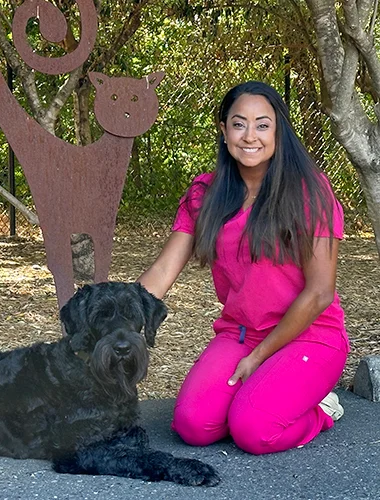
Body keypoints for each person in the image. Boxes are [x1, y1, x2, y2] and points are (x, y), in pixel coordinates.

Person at [137, 81, 349, 455]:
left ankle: (319, 409)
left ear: (279, 131)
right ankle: (263, 397)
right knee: (193, 426)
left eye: (263, 125)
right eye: (239, 124)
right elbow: (162, 271)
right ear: (223, 131)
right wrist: (113, 317)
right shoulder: (206, 194)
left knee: (253, 431)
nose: (250, 136)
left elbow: (320, 293)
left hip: (309, 336)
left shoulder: (310, 191)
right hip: (240, 334)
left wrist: (260, 356)